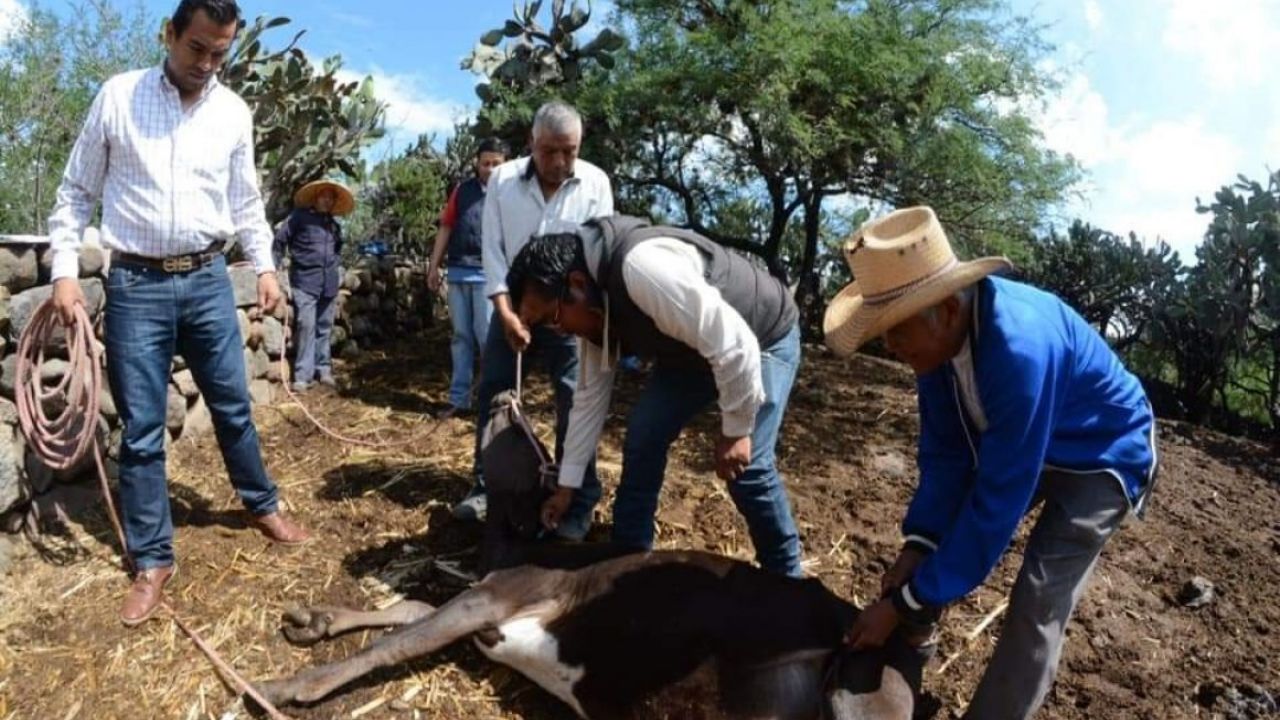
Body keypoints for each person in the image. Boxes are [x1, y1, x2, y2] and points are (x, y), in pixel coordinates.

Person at [826, 207, 1158, 718]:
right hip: (1036, 436)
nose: (890, 347)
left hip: (1104, 450)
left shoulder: (1020, 350)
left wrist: (900, 605)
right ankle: (912, 648)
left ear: (950, 311)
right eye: (883, 332)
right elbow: (947, 454)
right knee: (934, 546)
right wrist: (919, 545)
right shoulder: (935, 352)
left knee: (1038, 597)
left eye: (897, 330)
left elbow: (998, 500)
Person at [46, 0, 310, 627]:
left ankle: (261, 503)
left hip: (209, 279)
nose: (208, 64)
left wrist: (265, 266)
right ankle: (152, 559)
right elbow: (76, 191)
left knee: (233, 404)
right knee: (140, 431)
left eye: (221, 52)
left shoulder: (234, 112)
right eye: (197, 48)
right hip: (136, 283)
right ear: (169, 34)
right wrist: (62, 272)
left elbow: (247, 200)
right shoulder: (116, 97)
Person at [505, 215, 805, 577]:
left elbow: (735, 345)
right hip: (692, 351)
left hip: (760, 334)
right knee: (644, 435)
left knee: (749, 466)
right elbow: (588, 400)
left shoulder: (643, 269)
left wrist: (737, 430)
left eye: (553, 319)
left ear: (577, 283)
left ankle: (787, 577)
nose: (560, 330)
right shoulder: (595, 305)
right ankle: (629, 557)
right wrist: (567, 488)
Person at [453, 101, 613, 532]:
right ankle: (488, 486)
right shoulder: (502, 181)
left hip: (568, 317)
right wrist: (505, 313)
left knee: (574, 400)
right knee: (495, 393)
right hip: (512, 311)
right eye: (549, 152)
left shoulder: (596, 183)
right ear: (531, 143)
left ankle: (576, 497)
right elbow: (493, 250)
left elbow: (598, 258)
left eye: (570, 151)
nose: (560, 162)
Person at [426, 139, 509, 418]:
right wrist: (433, 266)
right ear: (477, 162)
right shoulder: (462, 191)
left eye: (496, 163)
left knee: (488, 339)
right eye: (485, 163)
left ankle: (493, 401)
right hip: (459, 272)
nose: (490, 168)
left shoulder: (511, 195)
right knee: (461, 337)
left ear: (505, 164)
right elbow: (446, 226)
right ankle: (460, 399)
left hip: (489, 276)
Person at [274, 179, 353, 392]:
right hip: (305, 282)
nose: (327, 200)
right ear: (316, 197)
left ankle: (324, 369)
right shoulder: (298, 218)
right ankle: (302, 376)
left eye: (331, 198)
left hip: (328, 283)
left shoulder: (333, 226)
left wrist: (336, 268)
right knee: (306, 325)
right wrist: (275, 270)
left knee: (325, 327)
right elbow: (280, 242)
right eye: (324, 196)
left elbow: (337, 250)